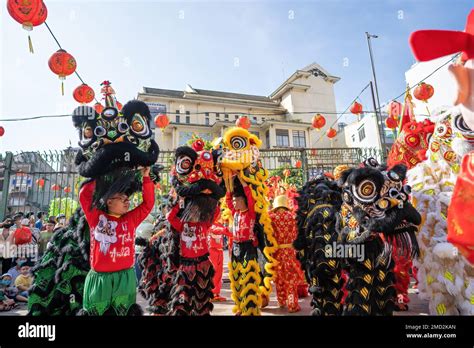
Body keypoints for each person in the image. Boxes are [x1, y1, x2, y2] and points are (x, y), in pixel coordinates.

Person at [79, 166, 154, 315]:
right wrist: (98, 173)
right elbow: (84, 196)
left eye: (128, 199)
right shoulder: (96, 217)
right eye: (121, 199)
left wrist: (146, 177)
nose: (127, 202)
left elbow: (148, 204)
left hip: (125, 279)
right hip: (100, 280)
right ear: (109, 201)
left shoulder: (131, 219)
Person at [226, 174, 261, 316]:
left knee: (249, 277)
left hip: (248, 247)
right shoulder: (235, 213)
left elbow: (250, 196)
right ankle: (240, 307)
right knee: (237, 278)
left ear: (244, 201)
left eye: (237, 201)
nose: (234, 203)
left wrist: (242, 181)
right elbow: (227, 199)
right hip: (235, 247)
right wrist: (229, 182)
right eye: (233, 201)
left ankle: (250, 308)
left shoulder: (251, 213)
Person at [269, 195, 301, 313]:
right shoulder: (293, 216)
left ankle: (281, 301)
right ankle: (292, 304)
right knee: (290, 278)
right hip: (290, 251)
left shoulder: (271, 217)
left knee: (279, 278)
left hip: (277, 252)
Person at [208, 211, 232, 302]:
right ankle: (211, 293)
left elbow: (227, 232)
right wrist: (227, 231)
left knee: (219, 273)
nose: (220, 215)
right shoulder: (210, 225)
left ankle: (216, 293)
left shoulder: (219, 224)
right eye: (218, 214)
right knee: (213, 273)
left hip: (219, 251)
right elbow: (219, 230)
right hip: (212, 251)